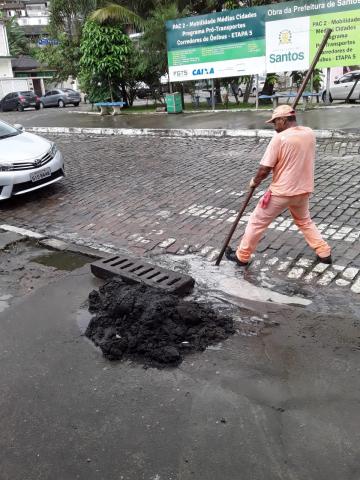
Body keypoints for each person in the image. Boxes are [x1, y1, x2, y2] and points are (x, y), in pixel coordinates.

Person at [226, 104, 332, 267]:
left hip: (281, 193)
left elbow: (264, 169)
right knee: (304, 221)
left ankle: (242, 256)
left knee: (256, 222)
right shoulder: (309, 133)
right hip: (303, 191)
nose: (275, 126)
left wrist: (254, 182)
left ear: (283, 119)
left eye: (276, 122)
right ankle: (324, 252)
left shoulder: (279, 139)